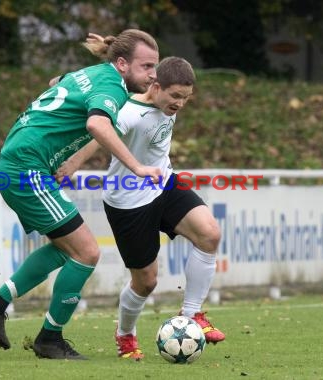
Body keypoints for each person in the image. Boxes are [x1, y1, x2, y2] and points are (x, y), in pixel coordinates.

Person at [0, 29, 161, 360]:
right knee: (87, 253)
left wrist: (67, 158)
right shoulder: (110, 85)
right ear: (122, 65)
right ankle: (50, 339)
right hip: (25, 167)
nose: (153, 74)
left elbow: (56, 82)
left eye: (154, 66)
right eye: (146, 66)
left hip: (21, 162)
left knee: (65, 250)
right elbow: (97, 126)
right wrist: (138, 168)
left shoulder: (93, 73)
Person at [56, 54, 225, 361]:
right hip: (128, 201)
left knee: (210, 234)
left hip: (163, 182)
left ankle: (192, 315)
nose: (180, 104)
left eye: (186, 98)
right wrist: (73, 163)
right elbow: (99, 134)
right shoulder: (130, 112)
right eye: (175, 96)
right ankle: (124, 334)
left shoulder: (161, 94)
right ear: (157, 87)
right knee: (145, 282)